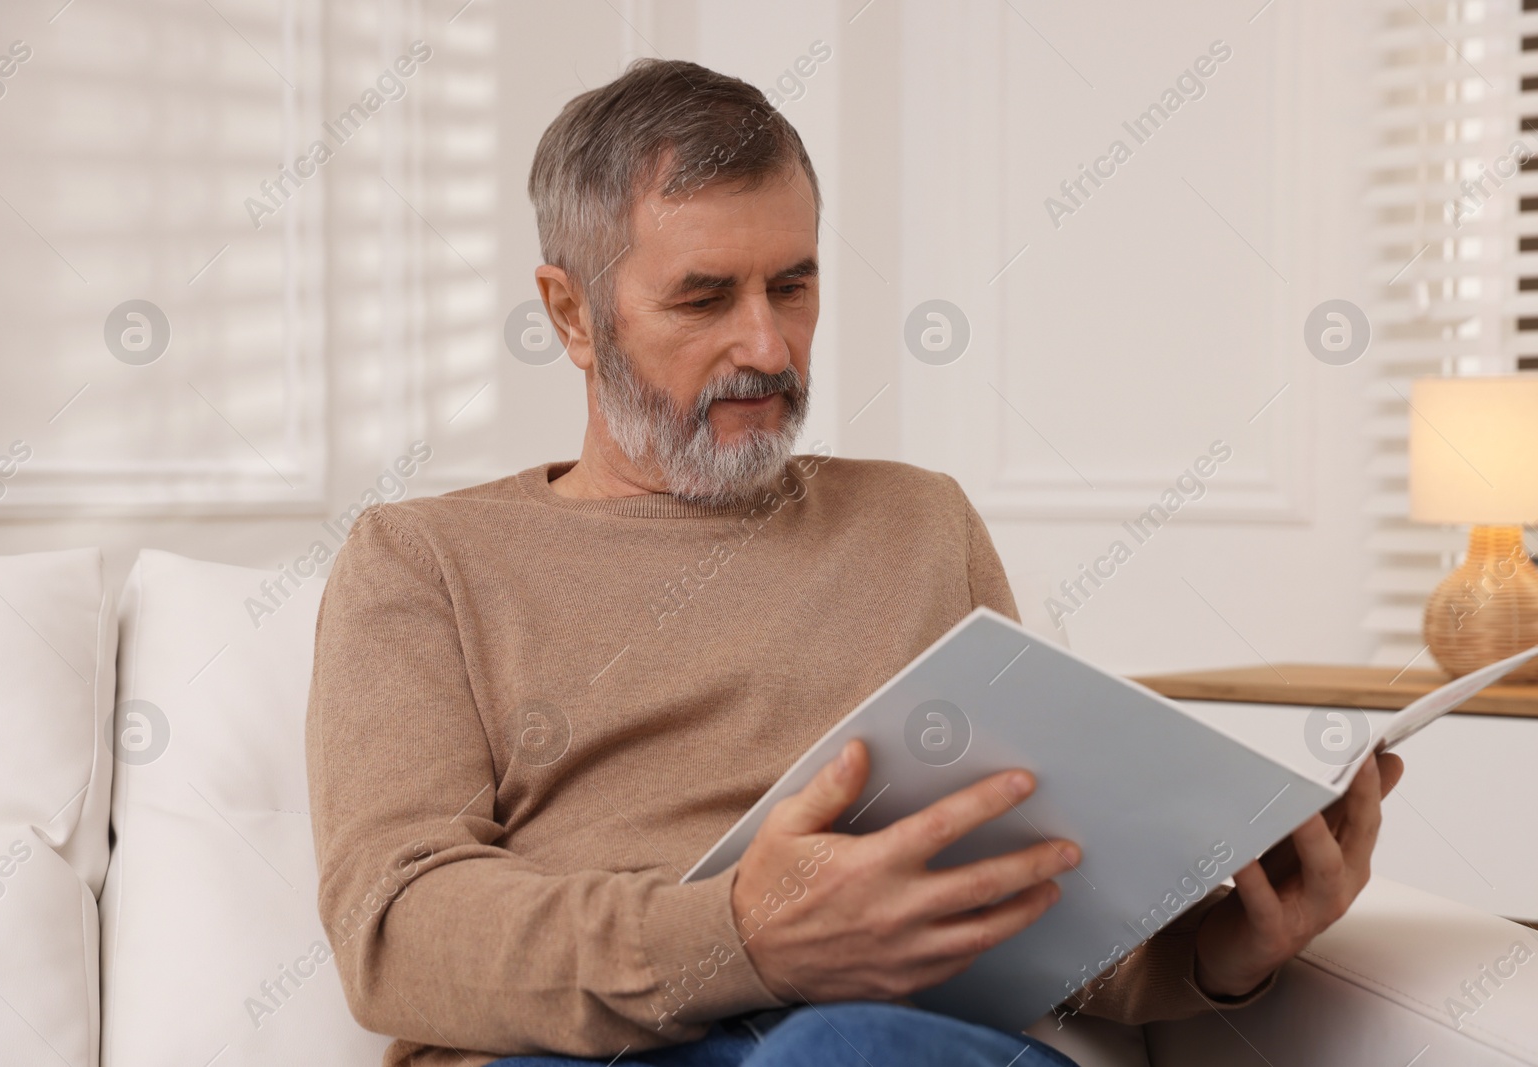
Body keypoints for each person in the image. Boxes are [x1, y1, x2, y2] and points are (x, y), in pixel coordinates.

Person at [306, 58, 1403, 1067]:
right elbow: (399, 934)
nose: (769, 348)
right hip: (586, 1054)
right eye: (703, 298)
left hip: (890, 1043)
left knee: (843, 1048)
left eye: (792, 285)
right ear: (570, 313)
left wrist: (1221, 949)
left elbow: (1030, 888)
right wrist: (744, 935)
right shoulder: (424, 562)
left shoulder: (917, 523)